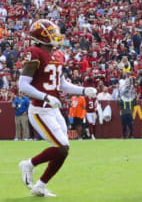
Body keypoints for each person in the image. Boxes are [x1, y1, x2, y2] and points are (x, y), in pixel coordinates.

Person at [17, 19, 97, 197]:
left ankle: (40, 185)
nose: (56, 36)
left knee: (63, 149)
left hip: (53, 109)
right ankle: (29, 164)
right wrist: (45, 96)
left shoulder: (59, 55)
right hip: (39, 109)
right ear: (41, 37)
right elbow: (23, 85)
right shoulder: (34, 52)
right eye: (51, 33)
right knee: (61, 147)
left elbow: (62, 85)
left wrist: (83, 90)